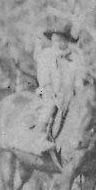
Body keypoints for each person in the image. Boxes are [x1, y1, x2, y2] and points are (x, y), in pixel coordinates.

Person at [30, 19, 88, 152]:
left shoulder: (74, 58)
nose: (58, 44)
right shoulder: (46, 55)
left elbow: (79, 78)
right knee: (50, 106)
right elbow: (44, 76)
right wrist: (48, 88)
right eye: (55, 40)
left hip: (69, 93)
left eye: (62, 40)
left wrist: (79, 90)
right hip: (50, 91)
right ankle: (40, 136)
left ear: (67, 41)